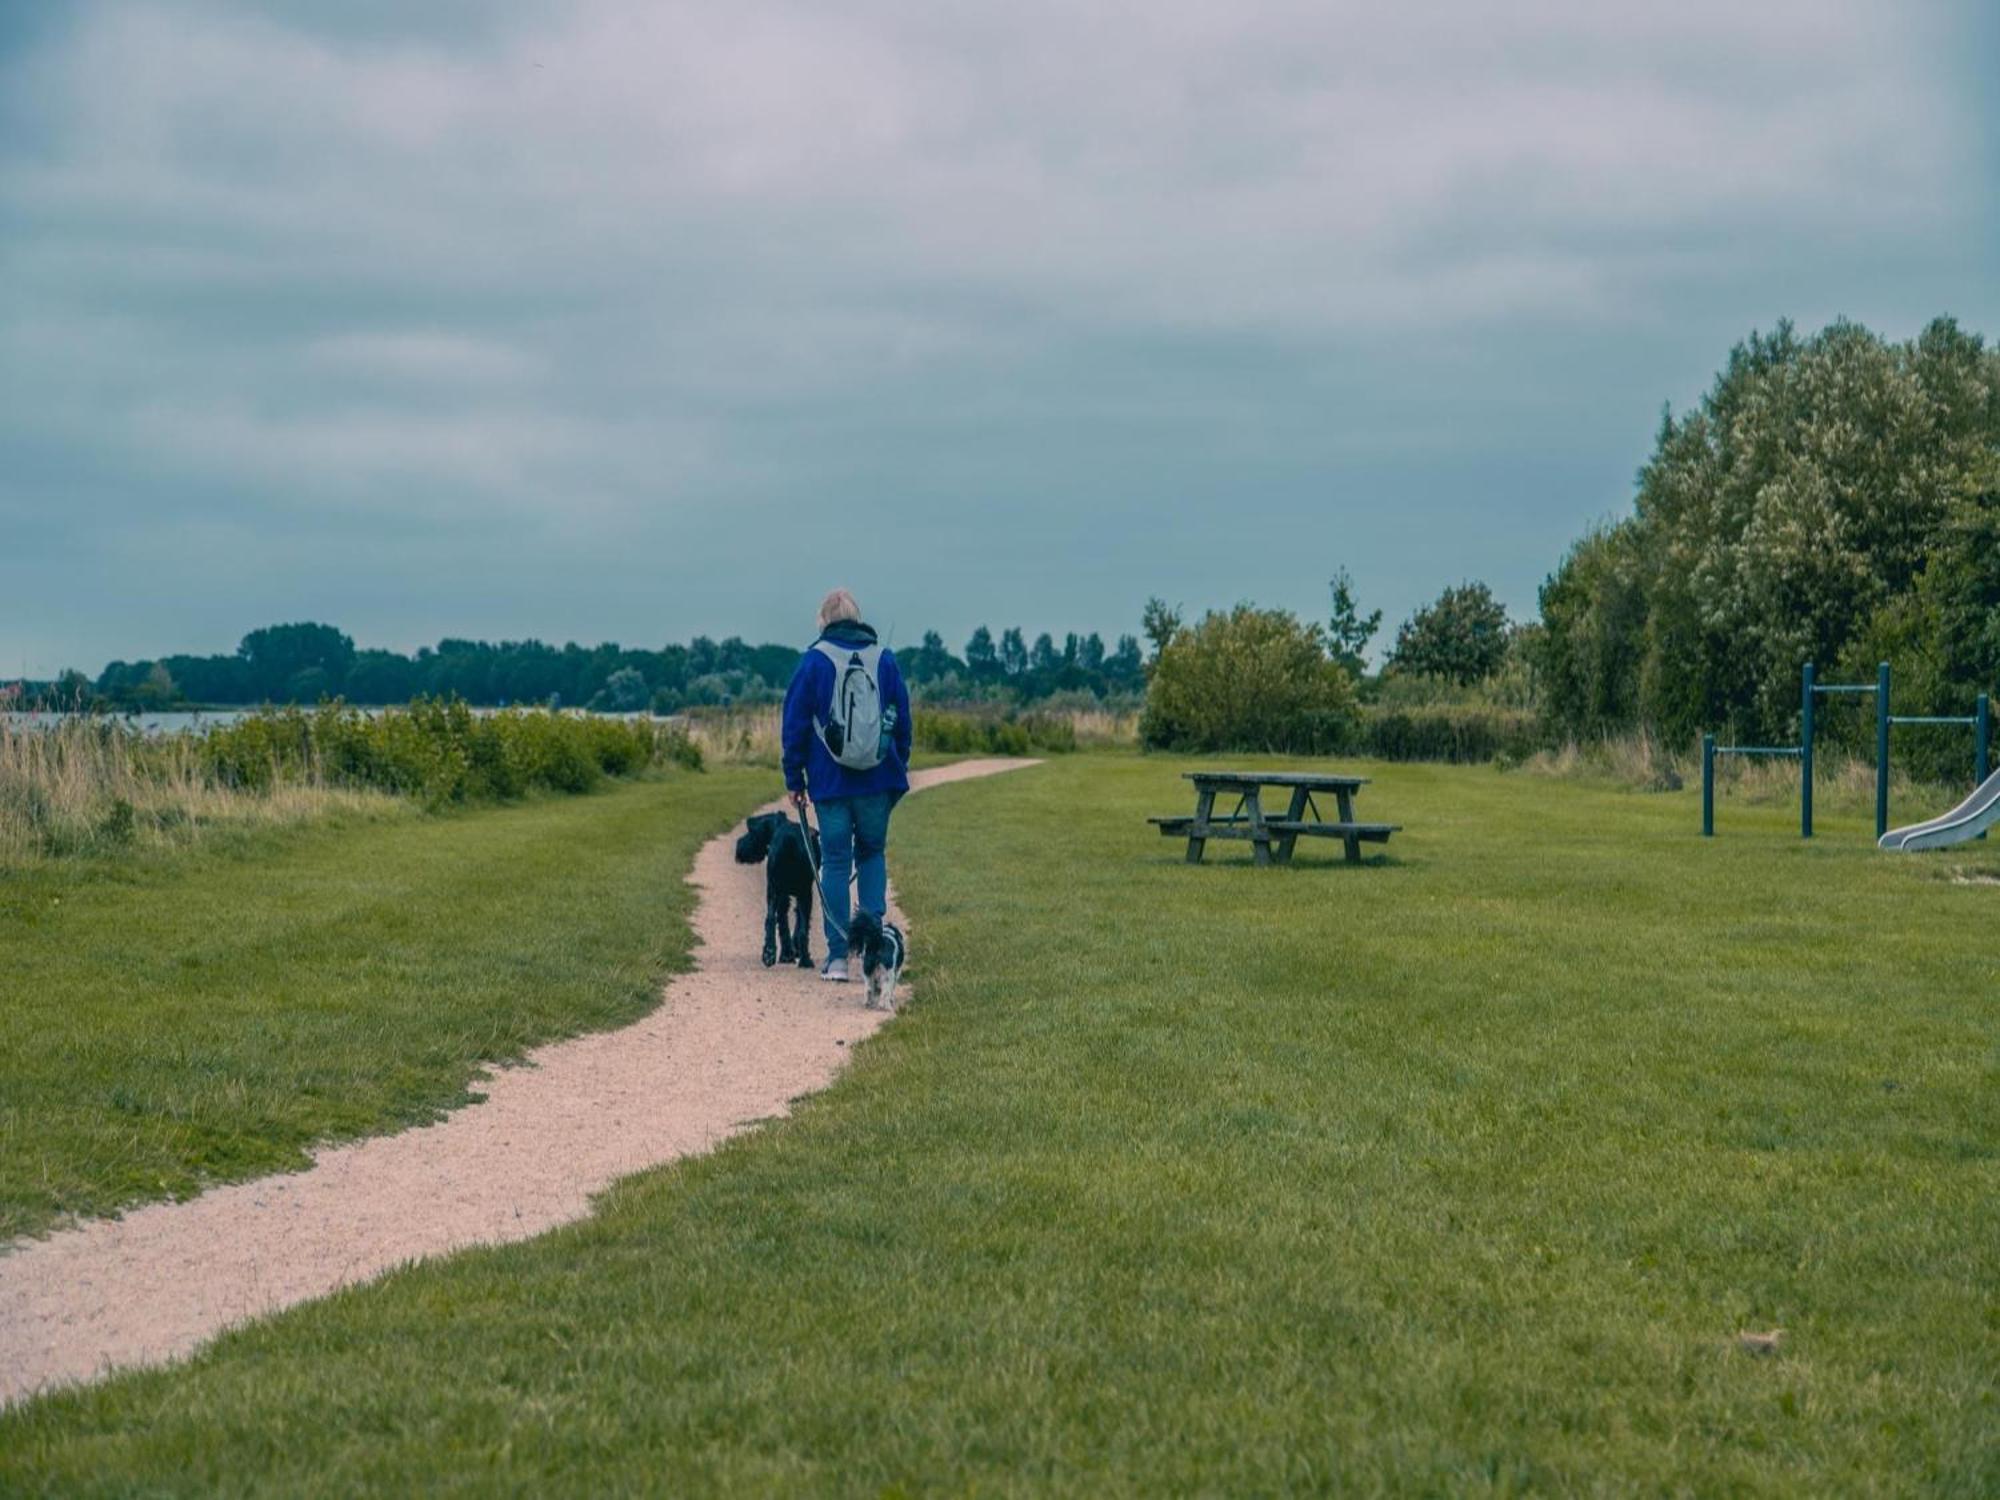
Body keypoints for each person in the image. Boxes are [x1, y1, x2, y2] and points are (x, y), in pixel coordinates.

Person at [781, 589, 913, 982]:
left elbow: (795, 725)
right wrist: (896, 766)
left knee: (835, 861)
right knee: (872, 854)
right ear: (857, 619)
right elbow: (902, 719)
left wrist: (794, 777)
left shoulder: (813, 662)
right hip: (878, 780)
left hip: (830, 783)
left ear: (823, 620)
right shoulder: (884, 660)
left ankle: (837, 959)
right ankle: (874, 950)